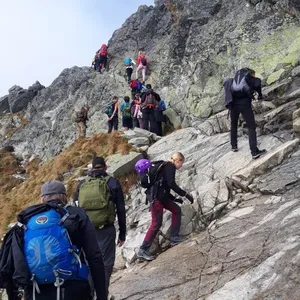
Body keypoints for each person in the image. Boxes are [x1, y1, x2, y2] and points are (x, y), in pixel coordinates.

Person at [0, 180, 107, 300]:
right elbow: (94, 256)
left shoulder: (26, 220)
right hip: (73, 289)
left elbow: (12, 263)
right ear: (64, 197)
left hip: (36, 292)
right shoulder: (75, 215)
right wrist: (102, 294)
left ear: (42, 199)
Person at [74, 157, 126, 299]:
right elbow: (120, 209)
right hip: (106, 229)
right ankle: (102, 294)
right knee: (106, 263)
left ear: (91, 168)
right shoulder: (112, 182)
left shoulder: (82, 184)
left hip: (86, 231)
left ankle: (89, 295)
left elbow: (75, 210)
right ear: (105, 167)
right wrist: (122, 233)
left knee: (89, 264)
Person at [137, 152, 194, 261]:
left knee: (176, 209)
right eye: (181, 163)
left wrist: (174, 199)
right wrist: (185, 194)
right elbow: (171, 184)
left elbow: (164, 185)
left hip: (161, 197)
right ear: (177, 160)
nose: (181, 166)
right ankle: (142, 250)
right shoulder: (170, 166)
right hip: (157, 199)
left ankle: (174, 238)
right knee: (156, 224)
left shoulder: (164, 166)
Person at [230, 68, 266, 159]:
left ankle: (234, 146)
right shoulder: (250, 78)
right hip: (245, 104)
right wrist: (260, 96)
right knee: (251, 127)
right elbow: (257, 84)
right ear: (252, 74)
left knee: (233, 124)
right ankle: (254, 152)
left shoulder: (236, 78)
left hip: (233, 105)